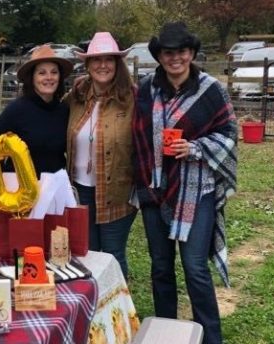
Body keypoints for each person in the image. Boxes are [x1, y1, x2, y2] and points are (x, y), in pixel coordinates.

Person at [132, 22, 237, 344]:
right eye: (168, 52)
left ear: (191, 53)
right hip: (154, 189)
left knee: (195, 269)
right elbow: (136, 135)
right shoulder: (147, 88)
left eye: (182, 51)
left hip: (196, 192)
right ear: (160, 56)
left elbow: (230, 134)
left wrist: (195, 148)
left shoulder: (210, 89)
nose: (175, 58)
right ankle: (165, 333)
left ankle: (210, 338)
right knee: (161, 267)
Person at [66, 32, 137, 279]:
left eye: (109, 59)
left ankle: (120, 313)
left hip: (116, 192)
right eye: (96, 59)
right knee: (88, 253)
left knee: (113, 254)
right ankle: (94, 311)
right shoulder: (77, 96)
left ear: (118, 63)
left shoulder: (132, 98)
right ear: (87, 64)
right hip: (81, 190)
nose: (103, 65)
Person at [0, 44, 72, 177]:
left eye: (54, 72)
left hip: (56, 187)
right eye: (42, 73)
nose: (49, 77)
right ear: (32, 77)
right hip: (20, 190)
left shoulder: (64, 110)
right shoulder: (14, 111)